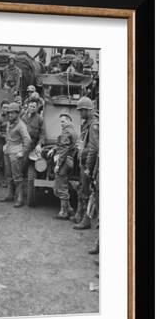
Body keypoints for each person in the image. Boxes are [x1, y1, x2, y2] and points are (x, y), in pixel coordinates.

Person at [73, 96, 99, 230]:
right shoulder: (87, 124)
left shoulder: (93, 125)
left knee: (87, 192)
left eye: (81, 110)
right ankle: (81, 214)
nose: (79, 113)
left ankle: (86, 219)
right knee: (82, 188)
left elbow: (94, 148)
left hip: (89, 164)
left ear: (87, 110)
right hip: (84, 162)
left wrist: (89, 167)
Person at [1, 102, 31, 208]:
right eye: (9, 113)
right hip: (8, 151)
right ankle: (10, 194)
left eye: (12, 113)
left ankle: (20, 198)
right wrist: (6, 145)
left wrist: (22, 152)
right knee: (8, 176)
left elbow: (27, 140)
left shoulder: (21, 125)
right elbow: (8, 135)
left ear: (17, 114)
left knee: (17, 177)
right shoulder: (10, 123)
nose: (10, 115)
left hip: (16, 154)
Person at [49, 113, 78, 219]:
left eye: (63, 121)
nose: (61, 124)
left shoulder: (66, 131)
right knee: (63, 184)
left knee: (61, 186)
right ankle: (69, 208)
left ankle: (63, 212)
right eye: (60, 122)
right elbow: (62, 145)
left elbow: (64, 149)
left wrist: (58, 164)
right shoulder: (72, 130)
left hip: (65, 161)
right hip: (69, 161)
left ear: (69, 121)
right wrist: (54, 148)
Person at [21, 99, 45, 206]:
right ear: (27, 106)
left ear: (37, 107)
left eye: (34, 106)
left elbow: (42, 134)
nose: (32, 108)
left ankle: (30, 189)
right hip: (23, 146)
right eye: (30, 106)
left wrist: (39, 144)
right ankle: (19, 193)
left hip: (33, 146)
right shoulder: (23, 118)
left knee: (32, 167)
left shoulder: (40, 119)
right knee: (19, 168)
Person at [0, 100, 10, 188]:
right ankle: (1, 180)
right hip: (1, 142)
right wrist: (5, 136)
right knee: (0, 162)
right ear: (1, 108)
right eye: (4, 107)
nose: (6, 109)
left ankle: (8, 180)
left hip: (10, 142)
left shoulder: (11, 117)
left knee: (8, 162)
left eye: (7, 107)